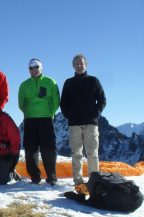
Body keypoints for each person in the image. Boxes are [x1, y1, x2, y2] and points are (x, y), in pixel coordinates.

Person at [60, 54, 106, 185]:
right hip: (74, 124)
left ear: (86, 65)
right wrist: (69, 115)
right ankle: (78, 181)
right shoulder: (69, 83)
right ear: (73, 66)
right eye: (77, 63)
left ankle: (94, 181)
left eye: (81, 63)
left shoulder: (93, 81)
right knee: (76, 154)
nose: (79, 65)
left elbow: (102, 100)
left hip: (91, 123)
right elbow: (63, 103)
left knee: (92, 153)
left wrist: (96, 114)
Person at [18, 59, 60, 186]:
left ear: (41, 67)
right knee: (31, 150)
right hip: (30, 120)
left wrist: (48, 113)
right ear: (28, 70)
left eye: (36, 67)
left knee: (49, 149)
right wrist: (29, 113)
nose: (34, 70)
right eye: (31, 68)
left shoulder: (50, 82)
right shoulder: (24, 85)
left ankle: (51, 177)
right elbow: (21, 103)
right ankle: (35, 178)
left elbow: (56, 101)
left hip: (46, 119)